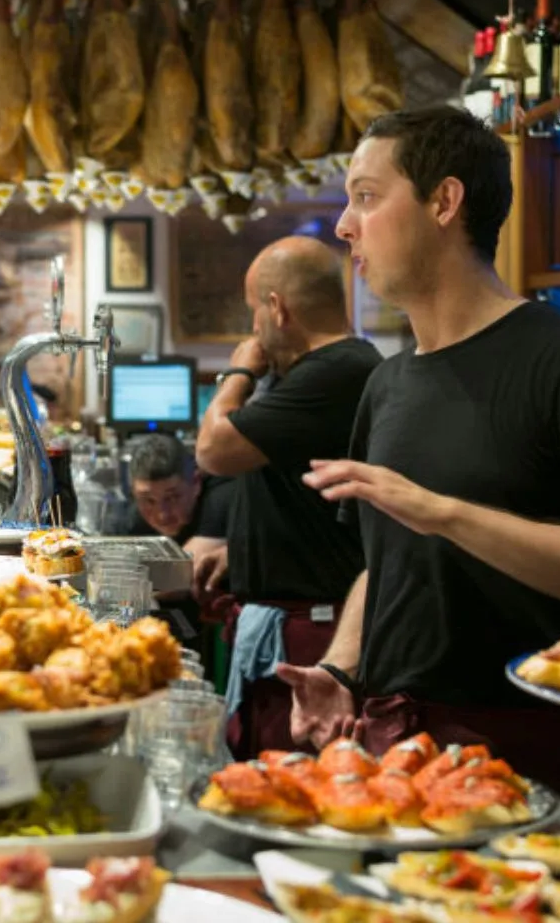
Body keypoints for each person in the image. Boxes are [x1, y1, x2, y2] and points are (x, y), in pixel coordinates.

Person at [286, 107, 560, 799]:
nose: (345, 225)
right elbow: (386, 565)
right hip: (394, 755)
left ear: (444, 201)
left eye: (366, 196)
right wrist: (343, 667)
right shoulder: (388, 382)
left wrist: (444, 512)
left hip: (534, 757)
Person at [193, 237, 380, 757]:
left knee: (286, 781)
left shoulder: (335, 370)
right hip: (289, 615)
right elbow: (303, 492)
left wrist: (237, 372)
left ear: (276, 307)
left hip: (313, 632)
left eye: (254, 310)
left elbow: (214, 448)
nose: (253, 328)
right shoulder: (314, 372)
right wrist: (245, 551)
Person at [123, 433, 232, 552]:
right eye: (149, 500)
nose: (162, 515)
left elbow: (188, 567)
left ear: (196, 483)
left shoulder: (222, 499)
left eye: (172, 498)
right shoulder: (133, 519)